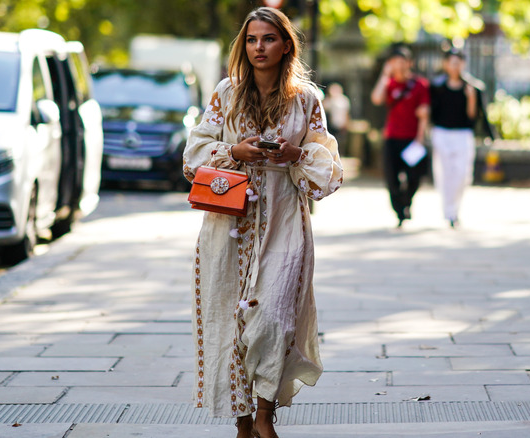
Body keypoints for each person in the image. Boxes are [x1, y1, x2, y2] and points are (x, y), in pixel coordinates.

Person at [183, 7, 343, 438]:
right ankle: (241, 422)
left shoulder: (307, 99)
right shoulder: (225, 94)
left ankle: (265, 415)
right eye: (252, 40)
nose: (259, 47)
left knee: (274, 318)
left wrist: (294, 155)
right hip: (227, 221)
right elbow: (193, 154)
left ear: (286, 44)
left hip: (285, 219)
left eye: (268, 39)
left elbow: (328, 169)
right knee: (228, 320)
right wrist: (235, 153)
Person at [429, 47, 493, 228]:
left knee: (462, 174)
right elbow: (432, 113)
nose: (455, 66)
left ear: (463, 64)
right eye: (451, 62)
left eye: (458, 62)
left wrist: (471, 99)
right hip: (442, 133)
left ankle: (455, 210)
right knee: (444, 174)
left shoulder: (473, 87)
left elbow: (474, 117)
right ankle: (448, 212)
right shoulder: (437, 87)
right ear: (445, 64)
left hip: (463, 135)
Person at [371, 46, 430, 228]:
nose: (399, 65)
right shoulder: (389, 84)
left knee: (414, 176)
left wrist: (420, 137)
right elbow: (376, 99)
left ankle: (406, 202)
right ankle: (400, 211)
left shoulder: (420, 85)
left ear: (409, 63)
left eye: (403, 61)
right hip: (392, 137)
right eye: (395, 61)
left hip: (412, 139)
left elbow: (424, 113)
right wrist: (384, 75)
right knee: (391, 178)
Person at [322, 82, 350, 155]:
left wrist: (346, 124)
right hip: (332, 124)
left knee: (340, 141)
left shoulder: (343, 100)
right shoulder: (330, 100)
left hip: (340, 124)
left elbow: (347, 113)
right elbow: (323, 107)